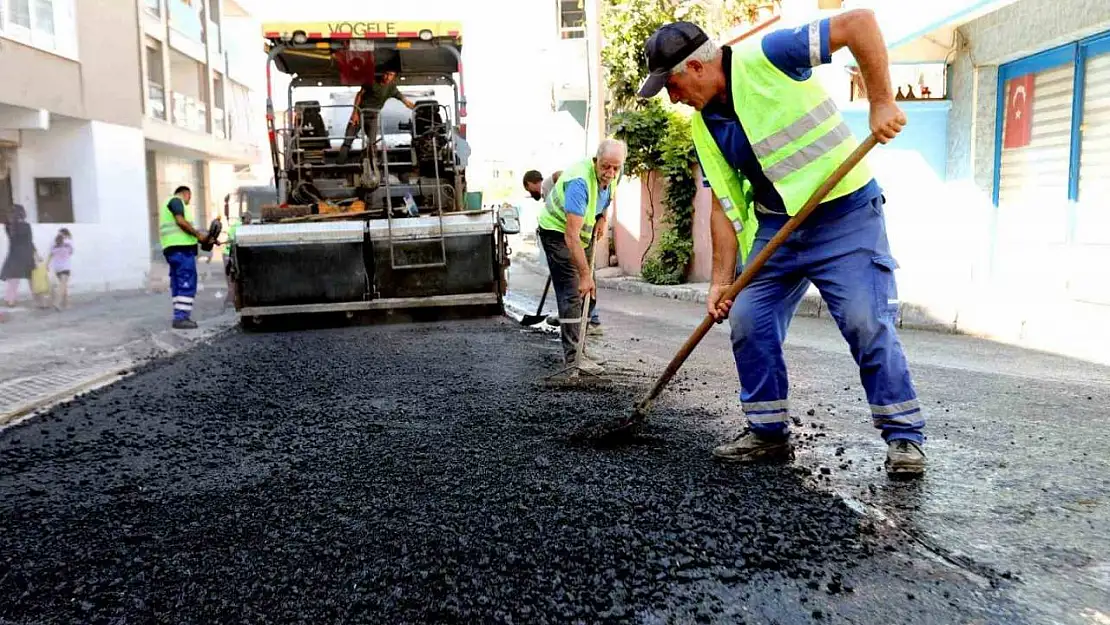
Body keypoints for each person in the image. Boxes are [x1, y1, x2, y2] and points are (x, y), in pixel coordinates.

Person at [637, 13, 926, 477]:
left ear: (696, 67)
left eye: (670, 85)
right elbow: (723, 208)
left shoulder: (769, 55)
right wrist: (721, 283)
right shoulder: (704, 126)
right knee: (748, 317)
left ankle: (904, 438)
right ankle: (767, 433)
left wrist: (881, 102)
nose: (672, 98)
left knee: (864, 320)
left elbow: (861, 23)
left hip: (844, 214)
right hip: (778, 229)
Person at [535, 139, 625, 374]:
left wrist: (603, 217)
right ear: (596, 159)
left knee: (589, 293)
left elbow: (607, 196)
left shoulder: (614, 173)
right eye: (606, 167)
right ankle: (573, 357)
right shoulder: (579, 183)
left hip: (579, 238)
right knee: (574, 291)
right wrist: (584, 275)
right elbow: (571, 236)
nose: (610, 173)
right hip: (558, 234)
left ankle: (581, 349)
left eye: (616, 168)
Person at [524, 168, 605, 334]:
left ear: (530, 184)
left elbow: (561, 174)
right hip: (566, 237)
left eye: (528, 189)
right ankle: (581, 320)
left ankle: (588, 321)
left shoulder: (547, 184)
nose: (531, 192)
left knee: (579, 281)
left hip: (574, 236)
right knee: (576, 281)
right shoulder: (549, 190)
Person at [337, 57, 416, 164]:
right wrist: (354, 113)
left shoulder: (392, 88)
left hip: (373, 116)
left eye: (391, 75)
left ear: (394, 77)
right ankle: (340, 164)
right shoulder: (372, 81)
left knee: (372, 143)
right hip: (360, 114)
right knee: (347, 140)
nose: (387, 77)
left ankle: (372, 164)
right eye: (386, 74)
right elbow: (359, 95)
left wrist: (417, 108)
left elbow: (405, 101)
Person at [160, 185, 209, 330]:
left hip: (172, 250)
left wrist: (201, 237)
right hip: (182, 250)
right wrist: (198, 235)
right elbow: (181, 222)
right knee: (187, 281)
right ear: (186, 194)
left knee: (177, 283)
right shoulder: (176, 201)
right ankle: (181, 318)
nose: (188, 201)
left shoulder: (167, 204)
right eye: (189, 198)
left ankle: (178, 315)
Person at [2, 204, 36, 308]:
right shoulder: (26, 226)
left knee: (13, 279)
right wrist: (35, 254)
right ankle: (38, 299)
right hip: (26, 254)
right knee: (32, 278)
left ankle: (10, 300)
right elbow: (29, 242)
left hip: (14, 255)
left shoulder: (9, 227)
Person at [223, 211, 251, 307]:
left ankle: (231, 302)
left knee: (233, 281)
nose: (249, 223)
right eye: (248, 221)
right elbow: (234, 243)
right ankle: (229, 304)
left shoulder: (239, 226)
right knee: (232, 281)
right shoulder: (238, 227)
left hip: (230, 254)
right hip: (229, 255)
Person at [46, 229, 73, 310]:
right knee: (62, 286)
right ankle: (57, 302)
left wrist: (47, 264)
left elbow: (50, 254)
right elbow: (71, 252)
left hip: (57, 268)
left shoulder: (53, 245)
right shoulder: (68, 244)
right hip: (65, 268)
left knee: (63, 286)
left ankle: (66, 303)